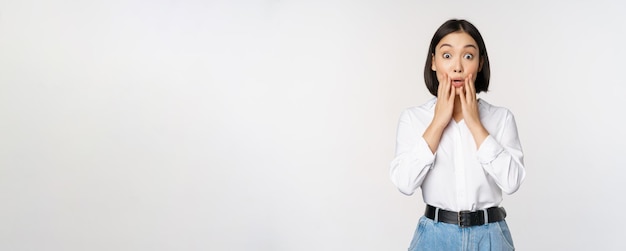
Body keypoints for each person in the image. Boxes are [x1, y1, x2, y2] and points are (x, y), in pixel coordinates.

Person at [389, 19, 526, 251]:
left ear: (480, 63)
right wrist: (438, 123)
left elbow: (512, 182)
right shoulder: (414, 118)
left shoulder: (501, 118)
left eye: (468, 56)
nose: (457, 67)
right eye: (447, 55)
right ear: (433, 62)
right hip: (435, 236)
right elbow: (404, 183)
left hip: (490, 236)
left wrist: (475, 124)